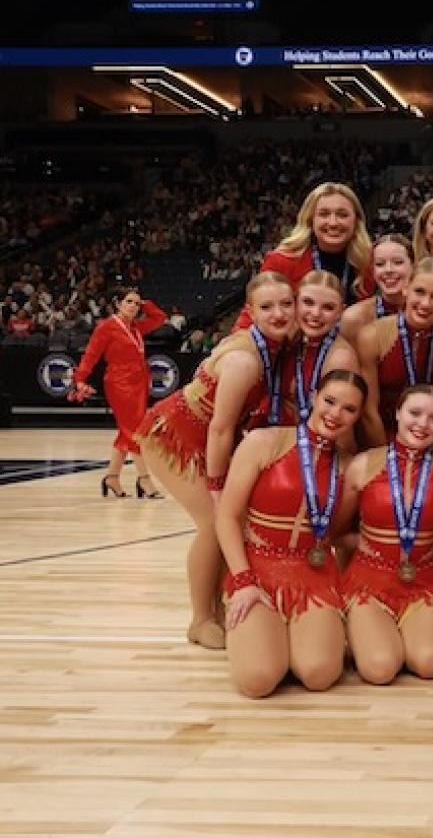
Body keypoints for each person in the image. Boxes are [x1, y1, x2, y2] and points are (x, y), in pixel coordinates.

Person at [137, 272, 296, 650]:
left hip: (206, 436)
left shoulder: (278, 343)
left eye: (285, 304)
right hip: (173, 435)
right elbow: (220, 430)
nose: (278, 313)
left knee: (234, 523)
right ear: (250, 312)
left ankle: (223, 609)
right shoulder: (244, 360)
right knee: (214, 522)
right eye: (267, 307)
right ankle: (200, 618)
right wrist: (217, 486)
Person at [217, 369, 367, 697]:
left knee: (319, 674)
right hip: (257, 570)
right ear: (313, 397)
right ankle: (264, 643)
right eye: (329, 401)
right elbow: (226, 517)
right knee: (257, 681)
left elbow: (334, 533)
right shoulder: (263, 442)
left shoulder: (349, 466)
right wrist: (243, 581)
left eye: (349, 409)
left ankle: (291, 644)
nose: (335, 414)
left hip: (313, 573)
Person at [336, 385, 433, 684]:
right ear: (398, 414)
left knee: (430, 664)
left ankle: (388, 635)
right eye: (415, 413)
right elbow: (335, 531)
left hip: (423, 580)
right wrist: (363, 545)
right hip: (369, 580)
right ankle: (359, 631)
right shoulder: (363, 463)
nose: (422, 425)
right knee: (381, 668)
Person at [69, 286, 169, 498]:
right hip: (119, 383)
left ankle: (112, 477)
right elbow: (91, 355)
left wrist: (145, 304)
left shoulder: (136, 328)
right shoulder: (106, 327)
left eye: (136, 303)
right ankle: (144, 481)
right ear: (117, 304)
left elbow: (160, 318)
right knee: (136, 432)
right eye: (129, 302)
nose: (133, 306)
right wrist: (79, 379)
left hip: (139, 383)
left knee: (127, 431)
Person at [235, 183, 374, 328]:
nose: (333, 223)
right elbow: (252, 315)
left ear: (356, 221)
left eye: (342, 215)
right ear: (310, 220)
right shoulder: (282, 261)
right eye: (324, 214)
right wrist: (233, 348)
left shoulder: (370, 262)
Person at [357, 259, 433, 447]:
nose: (425, 304)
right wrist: (386, 457)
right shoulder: (372, 336)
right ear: (406, 288)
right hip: (380, 435)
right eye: (419, 292)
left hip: (428, 436)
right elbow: (368, 411)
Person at [277, 271, 361, 429]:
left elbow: (339, 427)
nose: (315, 314)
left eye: (328, 307)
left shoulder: (341, 358)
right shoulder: (290, 338)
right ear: (295, 302)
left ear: (340, 312)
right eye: (308, 302)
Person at [339, 234, 413, 344]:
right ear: (372, 270)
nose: (388, 270)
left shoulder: (427, 310)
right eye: (380, 264)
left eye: (398, 262)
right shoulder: (354, 318)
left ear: (413, 265)